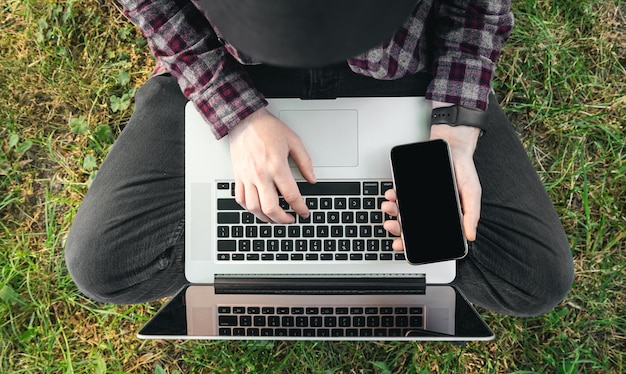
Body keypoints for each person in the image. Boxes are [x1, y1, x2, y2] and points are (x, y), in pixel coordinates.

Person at [65, 0, 574, 316]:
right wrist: (236, 114)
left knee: (535, 279)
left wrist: (455, 136)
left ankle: (367, 260)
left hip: (407, 75)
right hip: (233, 69)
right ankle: (267, 255)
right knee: (103, 265)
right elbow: (155, 7)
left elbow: (475, 11)